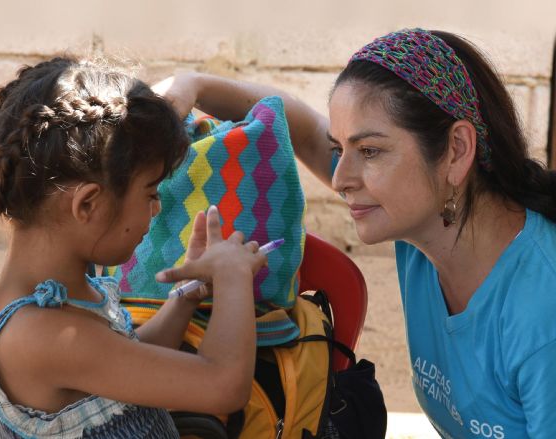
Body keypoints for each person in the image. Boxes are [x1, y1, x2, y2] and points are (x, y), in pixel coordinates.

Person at [155, 29, 556, 438]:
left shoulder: (542, 312)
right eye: (339, 149)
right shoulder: (430, 221)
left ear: (456, 149)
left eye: (369, 151)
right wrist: (194, 84)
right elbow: (303, 128)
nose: (342, 178)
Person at [0, 57, 268, 438]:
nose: (156, 207)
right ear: (88, 205)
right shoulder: (44, 333)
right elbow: (223, 386)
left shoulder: (50, 292)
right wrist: (233, 276)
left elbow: (124, 367)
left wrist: (187, 295)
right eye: (150, 192)